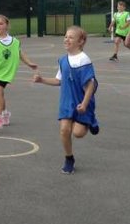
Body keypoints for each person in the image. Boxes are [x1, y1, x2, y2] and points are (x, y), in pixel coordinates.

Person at [33, 26, 99, 174]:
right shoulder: (63, 60)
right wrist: (41, 80)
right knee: (64, 130)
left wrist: (85, 104)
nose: (66, 39)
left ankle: (91, 120)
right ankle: (69, 158)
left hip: (82, 102)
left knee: (78, 133)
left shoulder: (84, 60)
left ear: (80, 41)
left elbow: (90, 86)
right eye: (65, 36)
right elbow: (58, 80)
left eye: (70, 37)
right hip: (67, 102)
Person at [0, 14, 37, 129]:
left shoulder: (14, 41)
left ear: (7, 25)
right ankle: (5, 113)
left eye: (1, 23)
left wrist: (29, 63)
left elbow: (19, 53)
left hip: (6, 72)